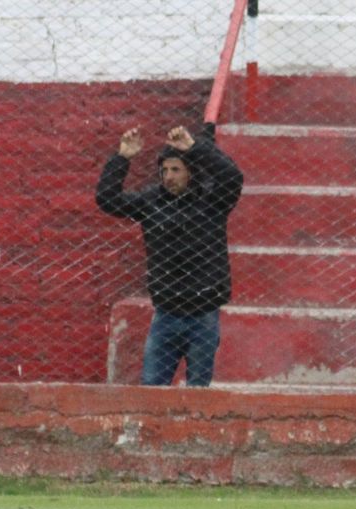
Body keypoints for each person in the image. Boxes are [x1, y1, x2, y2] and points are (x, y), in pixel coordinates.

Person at [95, 126, 244, 387]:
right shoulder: (151, 202)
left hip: (203, 313)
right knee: (152, 388)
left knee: (197, 391)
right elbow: (107, 199)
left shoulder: (212, 202)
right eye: (164, 170)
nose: (169, 176)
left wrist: (194, 148)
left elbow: (232, 177)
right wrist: (123, 157)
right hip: (166, 313)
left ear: (190, 172)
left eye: (176, 169)